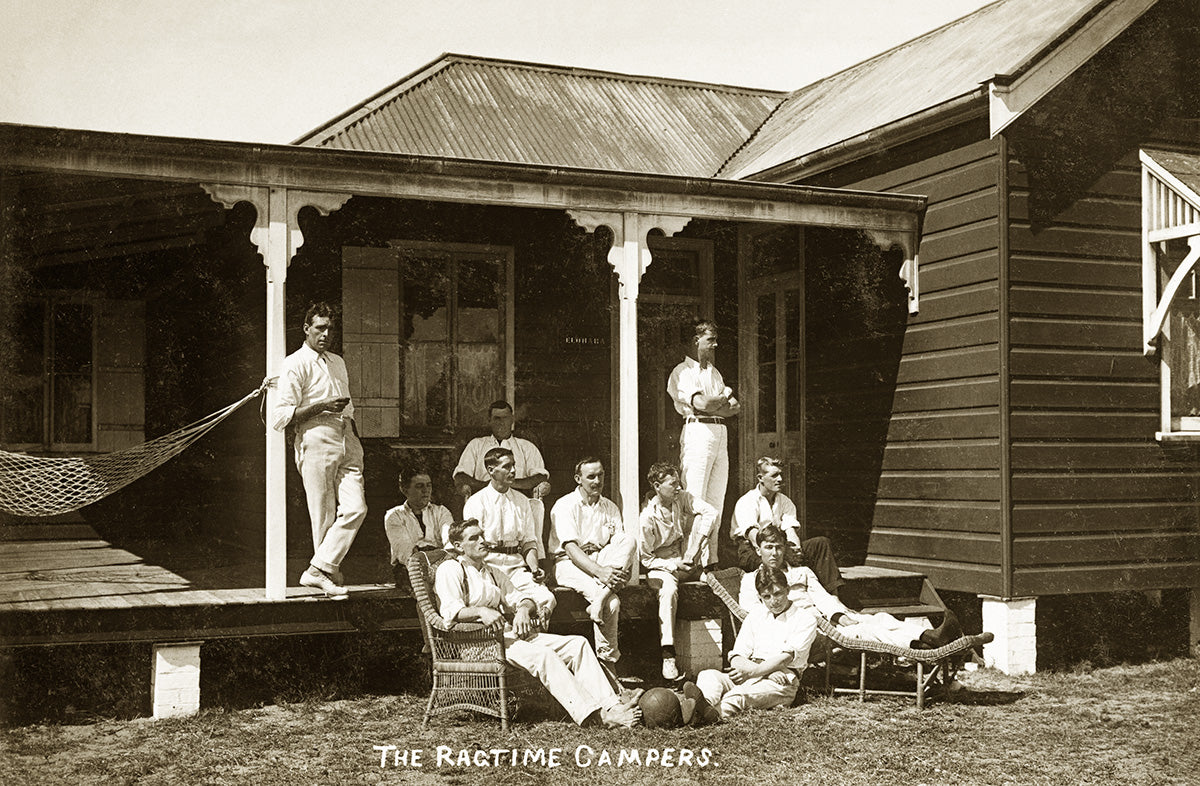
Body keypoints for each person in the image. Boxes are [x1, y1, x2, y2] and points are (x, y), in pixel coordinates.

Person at [434, 519, 642, 728]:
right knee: (544, 656)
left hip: (506, 637)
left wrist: (523, 609)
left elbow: (521, 598)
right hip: (477, 644)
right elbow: (451, 612)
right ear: (459, 546)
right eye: (474, 538)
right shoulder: (450, 570)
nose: (482, 541)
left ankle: (613, 706)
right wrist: (481, 611)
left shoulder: (492, 572)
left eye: (482, 535)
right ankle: (595, 716)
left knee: (577, 644)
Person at [740, 525, 966, 650]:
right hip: (801, 632)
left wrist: (840, 616)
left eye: (779, 547)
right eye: (768, 547)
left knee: (880, 618)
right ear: (758, 550)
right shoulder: (751, 580)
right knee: (866, 631)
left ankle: (927, 639)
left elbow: (825, 599)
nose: (774, 553)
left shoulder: (802, 572)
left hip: (827, 624)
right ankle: (923, 643)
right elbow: (755, 616)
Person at [272, 302, 366, 599]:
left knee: (356, 507)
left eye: (330, 328)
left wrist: (353, 436)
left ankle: (317, 569)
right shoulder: (294, 363)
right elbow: (281, 417)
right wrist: (322, 406)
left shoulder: (337, 361)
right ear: (306, 329)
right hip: (315, 435)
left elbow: (348, 406)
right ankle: (327, 575)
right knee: (323, 514)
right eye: (320, 328)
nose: (326, 334)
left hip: (345, 434)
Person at [693, 565, 817, 721]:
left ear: (788, 590)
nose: (774, 601)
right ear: (760, 597)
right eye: (767, 596)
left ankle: (704, 716)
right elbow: (736, 656)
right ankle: (702, 706)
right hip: (754, 674)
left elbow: (785, 658)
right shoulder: (757, 614)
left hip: (782, 683)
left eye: (778, 593)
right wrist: (765, 672)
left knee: (736, 697)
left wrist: (754, 672)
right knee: (708, 676)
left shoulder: (805, 618)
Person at [549, 457, 637, 668]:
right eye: (591, 477)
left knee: (629, 541)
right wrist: (601, 572)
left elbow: (620, 543)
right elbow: (570, 549)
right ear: (578, 479)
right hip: (569, 563)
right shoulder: (565, 505)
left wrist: (612, 569)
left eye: (601, 475)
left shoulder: (610, 507)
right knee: (613, 603)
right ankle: (609, 667)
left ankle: (599, 601)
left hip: (601, 559)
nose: (597, 481)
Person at [666, 320, 739, 569]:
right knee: (695, 498)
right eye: (711, 339)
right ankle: (691, 560)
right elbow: (702, 405)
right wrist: (724, 396)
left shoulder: (714, 373)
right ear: (696, 340)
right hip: (698, 430)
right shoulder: (682, 372)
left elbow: (734, 408)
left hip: (720, 433)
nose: (715, 344)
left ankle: (711, 561)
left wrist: (718, 401)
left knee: (716, 500)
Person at [639, 460, 718, 680]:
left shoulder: (680, 499)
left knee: (715, 581)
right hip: (660, 566)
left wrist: (693, 550)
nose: (678, 487)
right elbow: (646, 559)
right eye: (673, 483)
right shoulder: (647, 518)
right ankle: (668, 654)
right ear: (657, 486)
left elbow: (711, 513)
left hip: (684, 560)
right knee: (668, 590)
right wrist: (673, 565)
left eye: (678, 482)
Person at [462, 446, 556, 614]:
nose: (513, 471)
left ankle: (534, 639)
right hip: (488, 568)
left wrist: (534, 568)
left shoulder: (522, 501)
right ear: (491, 470)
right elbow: (473, 545)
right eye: (507, 466)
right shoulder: (476, 503)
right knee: (496, 603)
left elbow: (528, 542)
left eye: (514, 465)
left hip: (516, 569)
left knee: (546, 599)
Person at [732, 456, 844, 596]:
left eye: (781, 475)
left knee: (821, 544)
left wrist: (796, 551)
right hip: (752, 550)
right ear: (760, 478)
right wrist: (782, 553)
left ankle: (834, 598)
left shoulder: (785, 501)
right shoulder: (747, 501)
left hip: (779, 547)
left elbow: (791, 532)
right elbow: (753, 536)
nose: (780, 479)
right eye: (774, 475)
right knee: (774, 560)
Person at [455, 400, 552, 559]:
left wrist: (510, 484)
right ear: (489, 420)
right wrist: (491, 485)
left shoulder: (525, 446)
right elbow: (461, 475)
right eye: (496, 418)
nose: (501, 423)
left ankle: (535, 560)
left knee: (535, 506)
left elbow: (540, 475)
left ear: (512, 419)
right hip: (485, 499)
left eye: (505, 418)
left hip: (519, 501)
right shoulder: (477, 445)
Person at [383, 468, 451, 592]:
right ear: (404, 489)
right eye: (419, 486)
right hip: (410, 567)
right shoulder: (394, 515)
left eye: (428, 486)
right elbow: (405, 551)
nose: (426, 491)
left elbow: (450, 542)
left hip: (441, 564)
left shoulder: (441, 512)